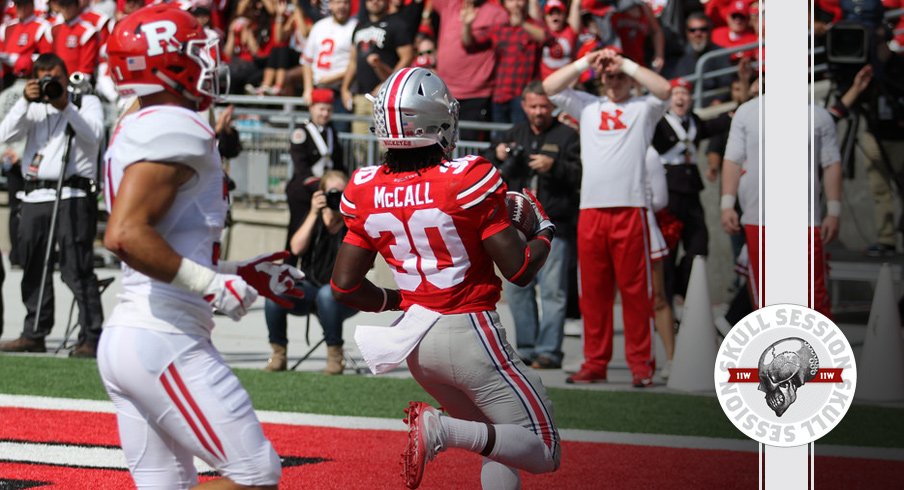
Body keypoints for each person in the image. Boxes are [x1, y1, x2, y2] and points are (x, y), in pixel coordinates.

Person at [98, 5, 301, 487]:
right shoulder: (174, 124)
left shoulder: (140, 120)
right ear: (164, 62)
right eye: (194, 51)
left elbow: (163, 241)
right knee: (256, 473)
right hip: (163, 336)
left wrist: (239, 269)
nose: (208, 59)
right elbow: (126, 235)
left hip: (137, 331)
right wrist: (212, 283)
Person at [331, 67, 560, 489]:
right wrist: (544, 231)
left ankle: (449, 430)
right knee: (543, 447)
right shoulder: (467, 178)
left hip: (417, 342)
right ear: (437, 122)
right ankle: (441, 429)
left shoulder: (363, 187)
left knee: (497, 440)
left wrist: (400, 300)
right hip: (469, 331)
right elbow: (520, 270)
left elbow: (344, 286)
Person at [543, 47, 672, 387]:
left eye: (619, 77)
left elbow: (665, 90)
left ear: (629, 79)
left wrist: (626, 62)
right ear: (600, 80)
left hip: (630, 209)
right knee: (594, 294)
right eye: (609, 76)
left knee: (635, 292)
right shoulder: (588, 105)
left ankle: (641, 365)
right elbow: (550, 87)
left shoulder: (643, 107)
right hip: (591, 210)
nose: (614, 82)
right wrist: (587, 61)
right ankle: (595, 362)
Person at [0, 53, 104, 357]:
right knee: (33, 266)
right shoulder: (32, 107)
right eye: (42, 76)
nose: (49, 82)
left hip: (72, 194)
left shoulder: (86, 101)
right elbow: (4, 135)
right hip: (34, 196)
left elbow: (94, 136)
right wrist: (24, 101)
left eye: (54, 76)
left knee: (77, 268)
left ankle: (91, 335)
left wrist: (65, 106)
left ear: (65, 75)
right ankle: (35, 331)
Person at [485, 80, 580, 370]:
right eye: (534, 106)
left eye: (544, 106)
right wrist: (498, 155)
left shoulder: (568, 136)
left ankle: (549, 351)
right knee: (517, 288)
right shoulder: (513, 134)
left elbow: (581, 175)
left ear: (552, 106)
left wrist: (555, 167)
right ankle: (526, 348)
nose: (539, 112)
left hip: (556, 225)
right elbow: (487, 172)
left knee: (553, 291)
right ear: (524, 106)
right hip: (515, 229)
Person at [720, 95, 841, 318]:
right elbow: (733, 159)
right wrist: (727, 204)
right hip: (760, 220)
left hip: (804, 221)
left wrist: (833, 211)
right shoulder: (748, 112)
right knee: (766, 300)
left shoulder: (817, 115)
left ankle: (818, 351)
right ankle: (769, 350)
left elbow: (831, 163)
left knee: (813, 296)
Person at [264, 170, 358, 373]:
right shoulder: (312, 217)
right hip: (309, 288)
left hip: (344, 294)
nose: (336, 198)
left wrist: (348, 215)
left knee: (326, 294)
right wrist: (314, 212)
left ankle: (335, 358)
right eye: (332, 193)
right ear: (321, 194)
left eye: (342, 193)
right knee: (274, 292)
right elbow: (296, 248)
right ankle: (278, 355)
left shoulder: (354, 222)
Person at [651, 77, 730, 304]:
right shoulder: (658, 123)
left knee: (699, 246)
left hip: (692, 191)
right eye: (675, 93)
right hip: (668, 192)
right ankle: (665, 303)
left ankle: (681, 292)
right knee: (668, 250)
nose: (680, 98)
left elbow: (719, 123)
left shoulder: (694, 121)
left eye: (685, 93)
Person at [285, 87, 345, 265]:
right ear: (311, 108)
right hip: (304, 192)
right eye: (321, 109)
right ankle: (288, 270)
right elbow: (301, 167)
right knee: (298, 229)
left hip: (328, 191)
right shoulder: (301, 132)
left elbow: (338, 162)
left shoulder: (331, 132)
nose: (325, 114)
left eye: (329, 110)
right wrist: (321, 188)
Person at [302, 0, 357, 131]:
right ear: (330, 5)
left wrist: (333, 78)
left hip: (340, 92)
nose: (341, 7)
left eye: (345, 3)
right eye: (337, 2)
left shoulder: (356, 27)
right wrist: (308, 88)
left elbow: (356, 63)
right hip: (318, 90)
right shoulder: (319, 26)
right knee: (315, 134)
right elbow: (306, 61)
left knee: (339, 134)